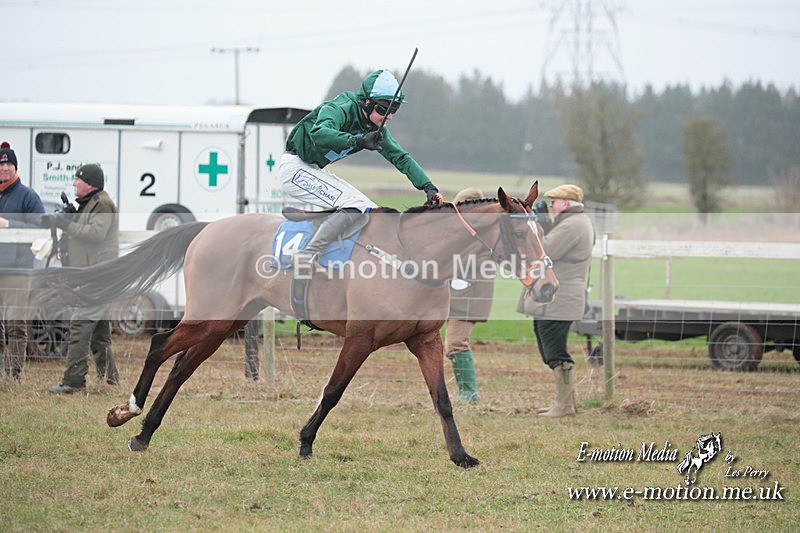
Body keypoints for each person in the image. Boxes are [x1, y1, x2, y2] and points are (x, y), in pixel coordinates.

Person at [279, 69, 443, 266]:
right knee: (356, 205)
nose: (389, 116)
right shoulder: (340, 108)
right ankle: (307, 255)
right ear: (366, 102)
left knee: (372, 213)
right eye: (384, 109)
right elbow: (319, 134)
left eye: (394, 110)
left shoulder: (375, 128)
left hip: (313, 170)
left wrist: (428, 187)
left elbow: (401, 158)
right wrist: (356, 141)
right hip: (295, 168)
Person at [517, 184, 594, 417]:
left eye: (555, 201)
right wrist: (548, 223)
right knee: (550, 349)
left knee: (556, 352)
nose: (551, 205)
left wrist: (540, 223)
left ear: (567, 203)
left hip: (560, 298)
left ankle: (564, 406)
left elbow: (545, 250)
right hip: (557, 297)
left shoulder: (573, 225)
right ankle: (566, 404)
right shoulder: (572, 223)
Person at [48, 164, 120, 394]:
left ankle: (73, 381)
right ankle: (110, 382)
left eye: (77, 180)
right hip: (93, 276)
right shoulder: (91, 203)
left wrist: (68, 223)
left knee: (80, 325)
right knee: (99, 335)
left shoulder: (102, 204)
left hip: (96, 277)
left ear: (89, 183)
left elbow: (96, 234)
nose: (74, 184)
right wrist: (73, 216)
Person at [445, 187, 495, 402]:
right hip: (461, 292)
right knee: (452, 345)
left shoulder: (481, 233)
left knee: (456, 343)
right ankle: (467, 393)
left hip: (470, 294)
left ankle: (469, 395)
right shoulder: (470, 230)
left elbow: (474, 262)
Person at [0, 141, 45, 381]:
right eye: (1, 163)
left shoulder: (28, 196)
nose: (4, 168)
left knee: (16, 324)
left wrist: (8, 225)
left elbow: (41, 226)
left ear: (15, 167)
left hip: (17, 271)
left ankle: (14, 375)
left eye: (8, 163)